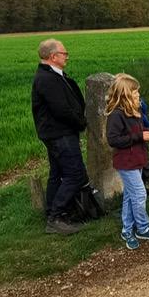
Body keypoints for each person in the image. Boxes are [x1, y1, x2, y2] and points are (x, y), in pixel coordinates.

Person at [31, 38, 89, 235]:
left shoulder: (53, 75)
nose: (67, 57)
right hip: (60, 133)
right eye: (65, 53)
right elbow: (61, 109)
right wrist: (81, 122)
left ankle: (53, 213)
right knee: (75, 173)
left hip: (56, 133)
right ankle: (56, 216)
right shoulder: (47, 79)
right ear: (53, 56)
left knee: (57, 173)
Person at [104, 74, 149, 250]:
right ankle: (143, 227)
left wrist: (147, 132)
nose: (139, 95)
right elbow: (114, 140)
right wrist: (140, 136)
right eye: (135, 92)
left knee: (131, 195)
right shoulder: (116, 115)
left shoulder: (134, 110)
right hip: (126, 162)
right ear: (125, 95)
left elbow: (138, 130)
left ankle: (126, 229)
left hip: (137, 158)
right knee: (140, 194)